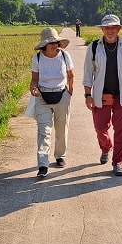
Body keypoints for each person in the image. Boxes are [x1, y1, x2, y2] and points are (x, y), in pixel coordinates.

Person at [82, 14, 122, 176]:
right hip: (101, 95)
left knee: (121, 128)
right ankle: (106, 147)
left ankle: (118, 162)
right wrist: (88, 95)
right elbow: (88, 74)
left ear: (119, 29)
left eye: (113, 27)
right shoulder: (94, 47)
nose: (110, 30)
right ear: (102, 29)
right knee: (100, 128)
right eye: (107, 27)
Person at [30, 27, 75, 178]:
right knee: (44, 131)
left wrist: (70, 92)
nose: (54, 45)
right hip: (43, 97)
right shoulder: (37, 58)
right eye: (51, 43)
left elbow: (71, 75)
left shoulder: (64, 56)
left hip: (62, 95)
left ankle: (60, 155)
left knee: (61, 129)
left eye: (56, 42)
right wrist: (33, 88)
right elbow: (34, 80)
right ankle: (43, 164)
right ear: (44, 45)